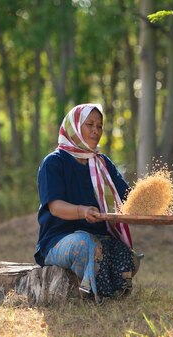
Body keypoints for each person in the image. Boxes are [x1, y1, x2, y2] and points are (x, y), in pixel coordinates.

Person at [35, 103, 138, 304]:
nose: (96, 130)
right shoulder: (53, 162)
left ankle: (115, 295)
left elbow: (127, 197)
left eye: (99, 126)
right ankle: (92, 295)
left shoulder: (102, 163)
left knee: (127, 256)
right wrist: (82, 211)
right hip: (58, 241)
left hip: (98, 237)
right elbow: (55, 207)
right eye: (89, 124)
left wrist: (149, 205)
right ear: (74, 127)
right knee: (86, 244)